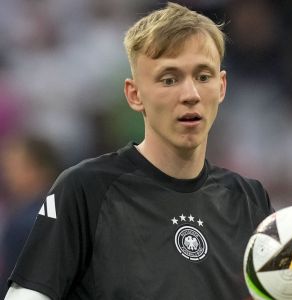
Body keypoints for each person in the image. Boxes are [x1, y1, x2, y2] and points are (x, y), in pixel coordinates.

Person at [4, 2, 273, 299]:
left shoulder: (249, 200)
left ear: (221, 87)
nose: (190, 95)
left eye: (203, 76)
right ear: (134, 95)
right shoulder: (86, 190)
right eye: (169, 79)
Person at [0, 136, 61, 299]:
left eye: (14, 167)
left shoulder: (25, 224)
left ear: (39, 169)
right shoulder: (67, 206)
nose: (7, 176)